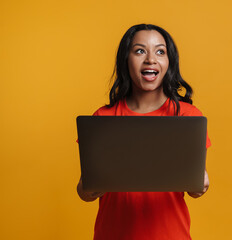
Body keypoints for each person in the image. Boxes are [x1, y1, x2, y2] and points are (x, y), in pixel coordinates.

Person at [77, 24, 211, 240]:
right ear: (125, 59)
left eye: (160, 51)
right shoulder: (103, 118)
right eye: (140, 50)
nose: (150, 59)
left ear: (169, 62)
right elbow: (85, 191)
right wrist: (89, 189)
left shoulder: (187, 116)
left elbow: (196, 188)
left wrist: (200, 185)